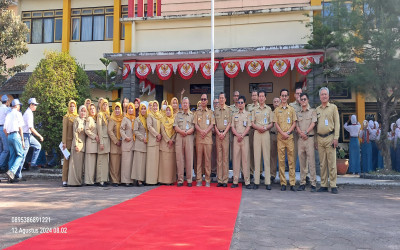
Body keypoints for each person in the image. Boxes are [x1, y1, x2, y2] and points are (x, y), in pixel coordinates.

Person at [316, 87, 340, 194]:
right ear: (320, 97)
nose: (324, 96)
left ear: (328, 96)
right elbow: (315, 126)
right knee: (322, 163)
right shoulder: (317, 110)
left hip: (330, 137)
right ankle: (324, 184)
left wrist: (336, 137)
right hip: (320, 138)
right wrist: (315, 141)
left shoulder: (333, 108)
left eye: (325, 94)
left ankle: (333, 185)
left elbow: (337, 124)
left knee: (332, 163)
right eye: (322, 94)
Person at [274, 89, 297, 191]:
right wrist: (282, 133)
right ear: (280, 97)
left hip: (289, 137)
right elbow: (276, 124)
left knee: (291, 161)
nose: (283, 97)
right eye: (282, 95)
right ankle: (283, 182)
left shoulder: (291, 109)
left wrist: (287, 133)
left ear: (288, 97)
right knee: (281, 160)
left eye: (285, 96)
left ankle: (292, 183)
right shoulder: (276, 110)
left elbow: (294, 123)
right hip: (280, 138)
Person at [251, 90, 274, 190]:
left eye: (262, 96)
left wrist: (265, 128)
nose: (260, 98)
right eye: (259, 96)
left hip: (265, 133)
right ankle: (256, 181)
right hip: (257, 133)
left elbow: (271, 123)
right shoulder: (254, 109)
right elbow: (252, 123)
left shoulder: (269, 109)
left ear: (265, 98)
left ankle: (267, 182)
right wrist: (258, 128)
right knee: (257, 157)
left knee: (266, 157)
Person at [295, 93, 317, 191]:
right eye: (301, 99)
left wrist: (306, 132)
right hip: (301, 139)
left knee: (311, 162)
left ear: (308, 100)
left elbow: (313, 123)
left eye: (304, 99)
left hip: (309, 139)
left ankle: (313, 183)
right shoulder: (298, 112)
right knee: (302, 162)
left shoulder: (312, 111)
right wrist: (301, 133)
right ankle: (302, 183)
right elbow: (296, 125)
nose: (303, 101)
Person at [18, 98, 43, 176]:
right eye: (35, 105)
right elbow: (31, 128)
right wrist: (40, 136)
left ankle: (32, 164)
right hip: (26, 136)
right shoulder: (28, 113)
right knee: (23, 155)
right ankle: (17, 174)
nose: (36, 106)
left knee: (38, 146)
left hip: (28, 135)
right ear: (31, 105)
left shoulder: (29, 112)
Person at [231, 95, 252, 189]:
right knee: (236, 160)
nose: (240, 104)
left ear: (245, 103)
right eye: (238, 103)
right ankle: (235, 180)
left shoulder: (248, 114)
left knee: (245, 160)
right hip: (236, 138)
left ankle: (247, 181)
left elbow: (248, 126)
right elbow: (232, 127)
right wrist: (238, 135)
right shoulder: (234, 115)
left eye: (241, 102)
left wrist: (242, 135)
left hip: (245, 138)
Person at [194, 94, 215, 187]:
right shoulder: (196, 112)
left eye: (204, 99)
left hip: (207, 140)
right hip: (199, 139)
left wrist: (205, 131)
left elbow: (212, 124)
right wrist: (201, 131)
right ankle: (198, 179)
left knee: (207, 161)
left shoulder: (210, 113)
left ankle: (207, 179)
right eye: (202, 99)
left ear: (207, 101)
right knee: (199, 161)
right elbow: (195, 125)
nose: (203, 101)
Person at [174, 97, 195, 187]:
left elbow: (194, 127)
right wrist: (181, 131)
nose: (185, 105)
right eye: (184, 103)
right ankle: (180, 180)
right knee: (180, 159)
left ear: (189, 104)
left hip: (189, 137)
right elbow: (175, 126)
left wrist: (187, 132)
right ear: (181, 105)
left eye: (187, 103)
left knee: (189, 158)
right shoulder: (178, 115)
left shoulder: (192, 115)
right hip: (179, 136)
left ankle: (189, 180)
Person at [3, 99, 25, 182]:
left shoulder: (8, 114)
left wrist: (9, 136)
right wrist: (22, 140)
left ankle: (10, 178)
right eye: (19, 105)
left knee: (12, 155)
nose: (19, 106)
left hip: (9, 135)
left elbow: (5, 129)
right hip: (16, 135)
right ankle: (11, 172)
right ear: (16, 106)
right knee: (21, 155)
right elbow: (20, 128)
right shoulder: (18, 114)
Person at [214, 92, 231, 187]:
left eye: (222, 98)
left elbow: (229, 123)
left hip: (225, 135)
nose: (221, 99)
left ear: (225, 99)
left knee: (225, 158)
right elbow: (214, 124)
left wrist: (223, 133)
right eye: (219, 98)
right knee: (219, 158)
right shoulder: (216, 110)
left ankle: (225, 180)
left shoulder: (228, 110)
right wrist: (218, 133)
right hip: (218, 135)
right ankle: (219, 180)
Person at [67, 105, 87, 186]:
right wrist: (76, 145)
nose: (83, 113)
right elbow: (75, 133)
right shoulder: (77, 120)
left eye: (84, 111)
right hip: (77, 144)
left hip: (83, 144)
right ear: (79, 111)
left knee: (79, 165)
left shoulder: (86, 120)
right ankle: (73, 182)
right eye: (82, 111)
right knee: (74, 164)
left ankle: (78, 181)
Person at [62, 100, 78, 187]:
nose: (72, 108)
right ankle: (64, 179)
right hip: (67, 142)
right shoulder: (66, 117)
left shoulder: (77, 117)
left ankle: (72, 179)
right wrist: (64, 142)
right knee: (66, 161)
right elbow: (64, 131)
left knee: (74, 161)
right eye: (71, 106)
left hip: (75, 142)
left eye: (74, 106)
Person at [159, 105, 177, 185]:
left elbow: (176, 131)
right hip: (164, 144)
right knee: (164, 164)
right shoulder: (162, 120)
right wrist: (167, 140)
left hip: (172, 145)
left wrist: (172, 140)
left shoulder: (174, 120)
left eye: (170, 110)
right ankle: (163, 180)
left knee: (171, 165)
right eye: (167, 110)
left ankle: (171, 180)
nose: (168, 112)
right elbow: (162, 131)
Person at [146, 100, 162, 185]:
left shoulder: (160, 116)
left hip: (159, 142)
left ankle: (156, 180)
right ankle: (150, 181)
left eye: (156, 106)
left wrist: (160, 136)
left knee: (156, 163)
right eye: (154, 106)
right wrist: (157, 135)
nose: (155, 108)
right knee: (151, 162)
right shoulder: (150, 115)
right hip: (152, 141)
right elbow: (149, 126)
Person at [131, 103, 148, 186]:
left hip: (146, 144)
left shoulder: (147, 119)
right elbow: (135, 131)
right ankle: (138, 180)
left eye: (145, 109)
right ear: (140, 110)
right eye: (142, 109)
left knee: (143, 163)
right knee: (138, 162)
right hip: (139, 143)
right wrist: (142, 138)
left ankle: (142, 178)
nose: (143, 110)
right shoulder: (138, 119)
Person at [108, 102, 123, 187]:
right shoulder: (112, 119)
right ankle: (114, 180)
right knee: (114, 164)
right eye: (116, 109)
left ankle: (119, 180)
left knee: (119, 164)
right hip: (114, 144)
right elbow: (109, 131)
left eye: (118, 109)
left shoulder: (122, 118)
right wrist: (115, 141)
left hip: (121, 144)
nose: (117, 110)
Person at [120, 102, 135, 186]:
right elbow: (121, 130)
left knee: (131, 162)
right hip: (126, 142)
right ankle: (125, 180)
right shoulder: (125, 119)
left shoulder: (135, 118)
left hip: (133, 143)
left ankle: (130, 180)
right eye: (129, 108)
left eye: (131, 108)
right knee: (126, 162)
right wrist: (125, 137)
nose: (130, 110)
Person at [289, 87, 304, 172]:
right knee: (293, 154)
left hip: (303, 134)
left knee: (303, 155)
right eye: (297, 93)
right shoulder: (291, 106)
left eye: (300, 93)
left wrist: (301, 103)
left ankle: (304, 176)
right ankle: (292, 175)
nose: (299, 95)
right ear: (294, 95)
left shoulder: (305, 103)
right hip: (294, 133)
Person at [97, 99, 110, 187]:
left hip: (107, 139)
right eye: (103, 105)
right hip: (103, 139)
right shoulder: (100, 115)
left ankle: (105, 179)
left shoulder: (108, 115)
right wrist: (101, 142)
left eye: (106, 105)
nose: (105, 106)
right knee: (101, 160)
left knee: (106, 160)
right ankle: (100, 179)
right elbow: (99, 129)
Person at [84, 103, 99, 186]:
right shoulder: (89, 119)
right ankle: (89, 181)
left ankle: (91, 180)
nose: (93, 110)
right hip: (91, 143)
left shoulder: (95, 119)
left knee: (93, 164)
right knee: (90, 163)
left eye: (94, 108)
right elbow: (87, 130)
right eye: (91, 109)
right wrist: (94, 136)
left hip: (94, 144)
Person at [246, 90, 259, 179]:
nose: (254, 97)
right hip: (250, 131)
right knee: (250, 150)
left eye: (255, 95)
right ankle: (250, 170)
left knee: (258, 151)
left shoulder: (260, 106)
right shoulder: (248, 107)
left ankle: (259, 171)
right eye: (253, 95)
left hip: (258, 131)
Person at [270, 97, 280, 182]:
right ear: (273, 103)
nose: (276, 103)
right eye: (274, 101)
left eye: (277, 101)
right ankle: (272, 174)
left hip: (280, 136)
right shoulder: (271, 113)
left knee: (281, 156)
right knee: (272, 156)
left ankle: (281, 175)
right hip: (272, 135)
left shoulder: (282, 113)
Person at [0, 95, 11, 171]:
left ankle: (3, 166)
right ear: (7, 101)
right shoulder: (8, 109)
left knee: (1, 149)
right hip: (4, 128)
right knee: (6, 149)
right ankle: (1, 165)